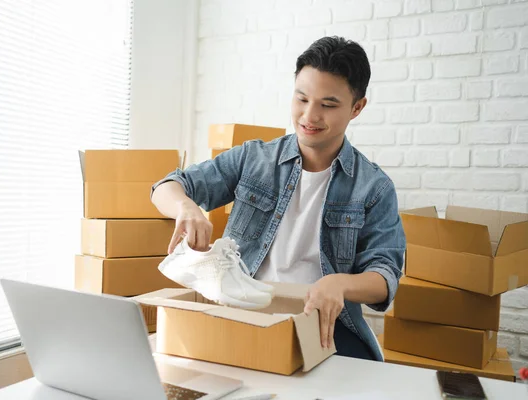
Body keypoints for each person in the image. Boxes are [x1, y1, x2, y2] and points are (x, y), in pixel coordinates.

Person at [150, 36, 406, 362]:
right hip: (245, 310)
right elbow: (167, 186)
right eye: (301, 99)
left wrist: (339, 284)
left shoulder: (373, 187)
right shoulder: (254, 159)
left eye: (327, 105)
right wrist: (185, 206)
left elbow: (384, 276)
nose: (309, 116)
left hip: (323, 323)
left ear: (357, 107)